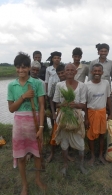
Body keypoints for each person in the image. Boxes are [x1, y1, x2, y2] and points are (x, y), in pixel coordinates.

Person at [7, 52, 46, 195]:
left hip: (34, 124)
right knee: (21, 156)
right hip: (19, 125)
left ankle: (37, 179)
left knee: (37, 154)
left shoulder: (37, 84)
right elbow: (11, 109)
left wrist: (41, 128)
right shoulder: (12, 85)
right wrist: (23, 97)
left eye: (24, 67)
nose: (21, 70)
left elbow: (42, 107)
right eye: (18, 67)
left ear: (29, 67)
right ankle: (25, 185)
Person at [53, 63, 87, 175]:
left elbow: (83, 104)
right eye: (67, 70)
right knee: (64, 143)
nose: (69, 71)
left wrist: (75, 105)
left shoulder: (82, 86)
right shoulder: (59, 85)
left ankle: (81, 165)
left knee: (81, 143)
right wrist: (63, 104)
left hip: (76, 117)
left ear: (76, 72)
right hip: (64, 117)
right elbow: (56, 104)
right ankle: (65, 165)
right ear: (65, 71)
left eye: (72, 70)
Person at [85, 64, 112, 166]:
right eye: (95, 71)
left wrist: (111, 112)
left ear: (102, 72)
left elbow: (109, 98)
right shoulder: (87, 85)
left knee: (102, 134)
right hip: (91, 112)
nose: (97, 73)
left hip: (102, 112)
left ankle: (101, 155)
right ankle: (92, 156)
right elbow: (84, 103)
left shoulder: (106, 83)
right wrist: (86, 117)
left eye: (99, 71)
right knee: (90, 135)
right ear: (92, 72)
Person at [47, 65, 73, 163]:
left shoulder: (71, 84)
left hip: (70, 112)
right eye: (59, 74)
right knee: (55, 133)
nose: (61, 75)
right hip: (59, 112)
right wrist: (53, 113)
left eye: (63, 72)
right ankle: (52, 153)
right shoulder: (56, 84)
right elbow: (51, 99)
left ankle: (67, 154)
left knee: (69, 132)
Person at [88, 43, 112, 114]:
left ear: (108, 52)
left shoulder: (111, 63)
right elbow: (90, 78)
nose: (103, 53)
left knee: (109, 111)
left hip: (107, 91)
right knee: (94, 110)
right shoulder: (93, 63)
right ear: (98, 52)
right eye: (101, 51)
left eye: (105, 51)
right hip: (95, 91)